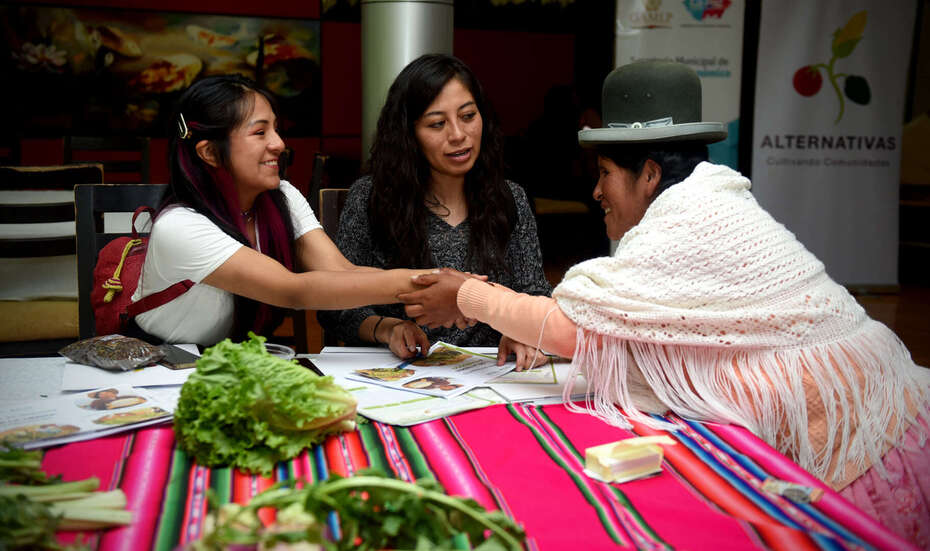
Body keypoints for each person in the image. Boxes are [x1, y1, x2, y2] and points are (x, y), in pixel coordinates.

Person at [399, 61, 930, 547]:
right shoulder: (707, 199)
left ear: (649, 174)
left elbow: (569, 327)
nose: (597, 192)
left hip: (868, 444)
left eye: (605, 173)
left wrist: (466, 294)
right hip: (874, 414)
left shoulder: (691, 220)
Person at [132, 75, 434, 347]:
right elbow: (293, 291)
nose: (278, 144)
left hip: (239, 358)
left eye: (275, 129)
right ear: (210, 152)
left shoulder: (282, 198)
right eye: (260, 132)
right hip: (162, 363)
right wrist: (437, 285)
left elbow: (340, 273)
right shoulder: (179, 226)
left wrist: (427, 288)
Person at [317, 54, 552, 368]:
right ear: (409, 133)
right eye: (437, 124)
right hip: (399, 375)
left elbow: (535, 293)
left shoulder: (510, 198)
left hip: (493, 372)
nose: (457, 134)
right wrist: (389, 329)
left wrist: (522, 330)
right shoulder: (372, 199)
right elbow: (335, 308)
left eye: (468, 116)